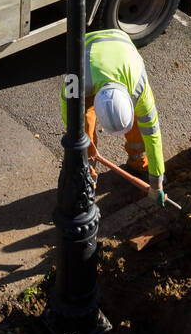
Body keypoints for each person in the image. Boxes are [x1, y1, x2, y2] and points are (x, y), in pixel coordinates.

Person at [60, 27, 165, 207]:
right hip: (89, 48)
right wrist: (84, 141)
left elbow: (153, 135)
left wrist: (156, 182)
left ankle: (138, 162)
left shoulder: (140, 91)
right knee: (82, 123)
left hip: (121, 42)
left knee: (142, 127)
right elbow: (67, 108)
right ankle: (86, 177)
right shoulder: (78, 76)